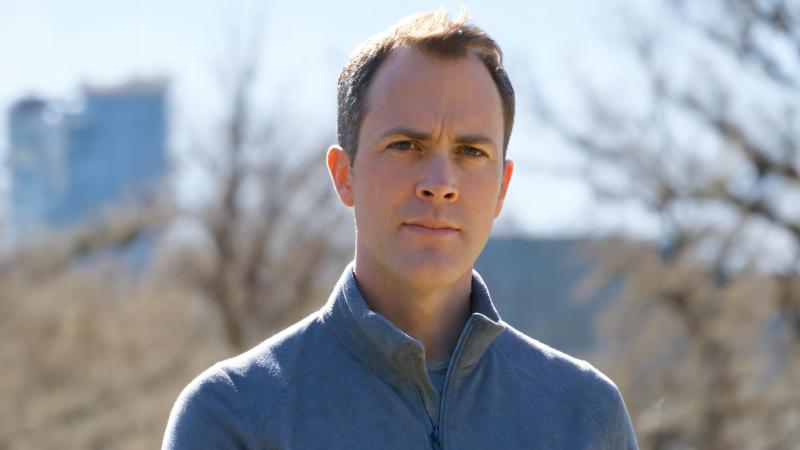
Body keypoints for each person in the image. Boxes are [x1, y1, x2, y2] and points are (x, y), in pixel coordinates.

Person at [163, 9, 638, 450]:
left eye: (471, 152)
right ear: (344, 174)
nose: (440, 185)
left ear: (501, 189)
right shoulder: (234, 415)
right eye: (407, 145)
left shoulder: (585, 415)